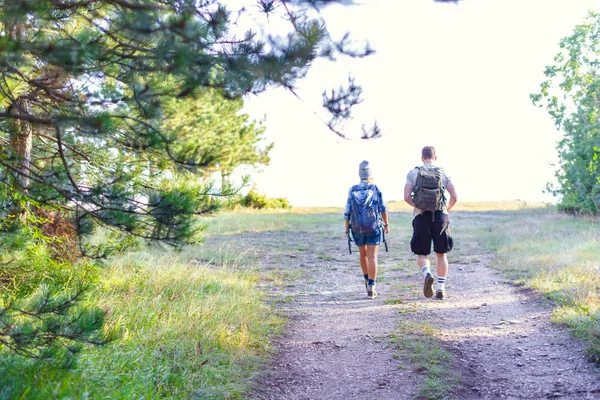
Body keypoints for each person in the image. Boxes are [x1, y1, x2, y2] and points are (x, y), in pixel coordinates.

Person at [404, 146, 457, 300]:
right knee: (441, 254)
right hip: (441, 216)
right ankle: (441, 288)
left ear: (422, 157)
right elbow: (455, 196)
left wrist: (419, 206)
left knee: (422, 253)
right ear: (435, 157)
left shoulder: (414, 172)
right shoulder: (444, 172)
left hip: (421, 216)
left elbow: (407, 196)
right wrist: (446, 209)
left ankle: (427, 273)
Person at [344, 160, 389, 299]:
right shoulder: (375, 188)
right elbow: (383, 209)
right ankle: (371, 286)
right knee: (373, 256)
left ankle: (366, 280)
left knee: (362, 255)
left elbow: (347, 211)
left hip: (357, 228)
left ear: (360, 174)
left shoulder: (353, 189)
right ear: (370, 174)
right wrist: (386, 224)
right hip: (373, 227)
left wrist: (347, 228)